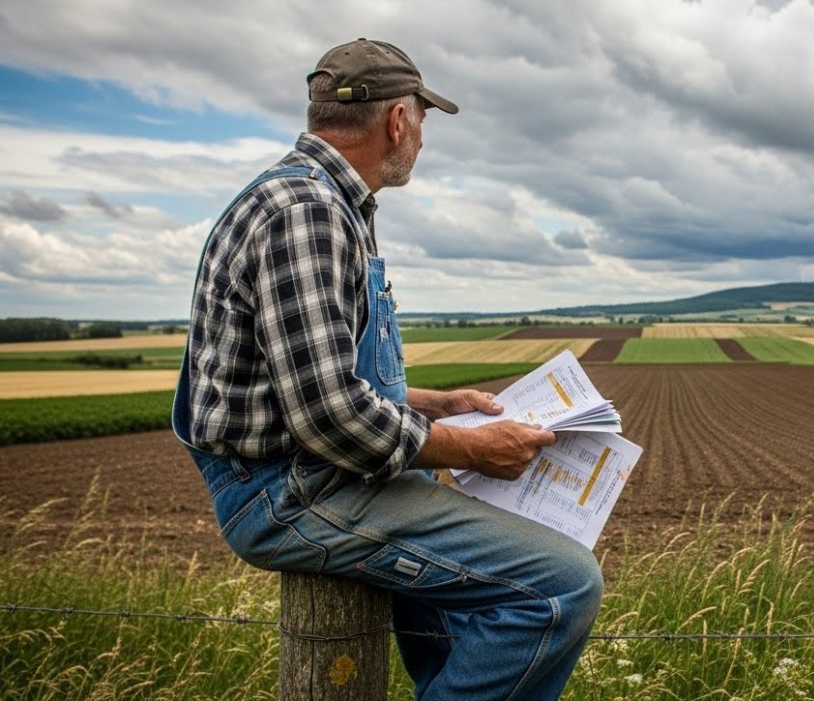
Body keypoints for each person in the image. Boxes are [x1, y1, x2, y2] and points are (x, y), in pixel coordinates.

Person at [172, 38, 603, 700]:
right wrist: (473, 449)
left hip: (316, 471)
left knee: (470, 616)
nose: (424, 139)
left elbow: (312, 379)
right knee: (564, 584)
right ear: (397, 120)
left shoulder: (326, 204)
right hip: (290, 493)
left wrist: (433, 404)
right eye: (424, 120)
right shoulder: (307, 213)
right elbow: (329, 414)